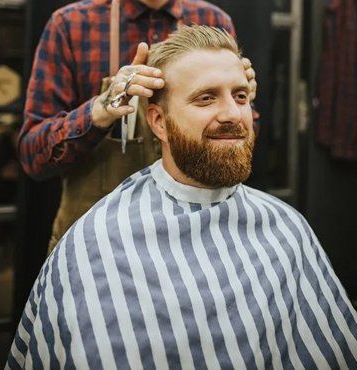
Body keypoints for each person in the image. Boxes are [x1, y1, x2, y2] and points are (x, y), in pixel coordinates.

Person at [8, 25, 357, 369]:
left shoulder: (285, 228)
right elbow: (33, 156)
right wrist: (102, 107)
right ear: (158, 122)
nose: (231, 114)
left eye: (240, 96)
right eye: (206, 97)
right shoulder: (92, 248)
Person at [19, 0, 257, 252]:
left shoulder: (212, 19)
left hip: (199, 238)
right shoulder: (71, 24)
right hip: (98, 246)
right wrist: (99, 111)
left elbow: (239, 148)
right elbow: (34, 157)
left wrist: (239, 102)